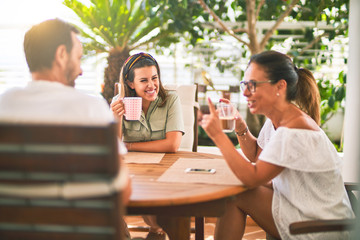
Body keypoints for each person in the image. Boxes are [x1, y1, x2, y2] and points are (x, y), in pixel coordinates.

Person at [200, 50, 354, 240]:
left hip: (318, 225)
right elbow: (258, 155)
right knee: (235, 192)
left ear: (280, 86)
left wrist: (218, 136)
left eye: (253, 85)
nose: (246, 92)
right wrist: (240, 127)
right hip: (298, 208)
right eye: (245, 84)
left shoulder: (294, 130)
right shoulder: (278, 120)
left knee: (236, 195)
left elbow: (253, 178)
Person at [0, 18, 132, 238]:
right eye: (78, 58)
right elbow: (121, 192)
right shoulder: (91, 110)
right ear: (61, 55)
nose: (81, 70)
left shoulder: (3, 106)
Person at [110, 52, 184, 240]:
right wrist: (116, 118)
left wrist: (130, 146)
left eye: (154, 78)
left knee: (156, 214)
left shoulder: (171, 100)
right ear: (130, 84)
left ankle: (156, 231)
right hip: (133, 171)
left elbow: (173, 144)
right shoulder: (119, 103)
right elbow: (114, 147)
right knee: (110, 199)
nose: (152, 85)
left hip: (164, 171)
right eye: (144, 80)